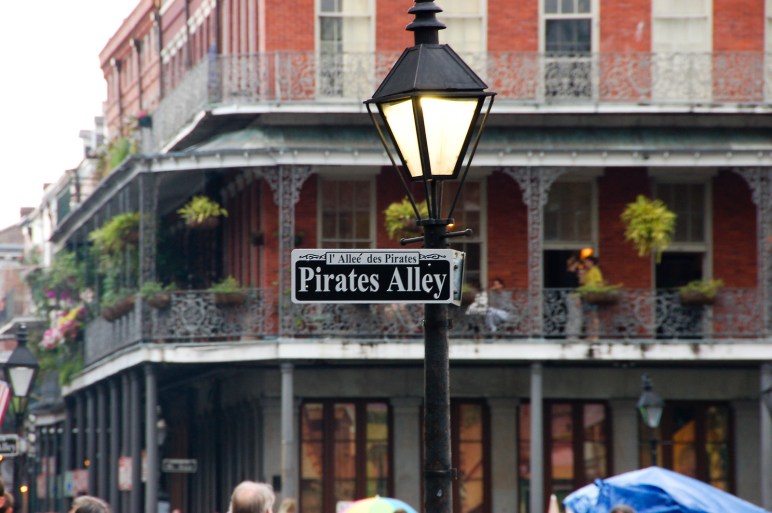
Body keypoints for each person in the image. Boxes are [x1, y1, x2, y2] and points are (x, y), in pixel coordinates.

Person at [579, 255, 604, 340]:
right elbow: (582, 283)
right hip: (586, 295)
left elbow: (599, 283)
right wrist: (582, 275)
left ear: (591, 262)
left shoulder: (595, 270)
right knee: (588, 316)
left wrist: (598, 293)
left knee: (594, 315)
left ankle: (595, 335)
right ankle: (589, 334)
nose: (585, 264)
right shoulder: (587, 272)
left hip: (593, 295)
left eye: (586, 262)